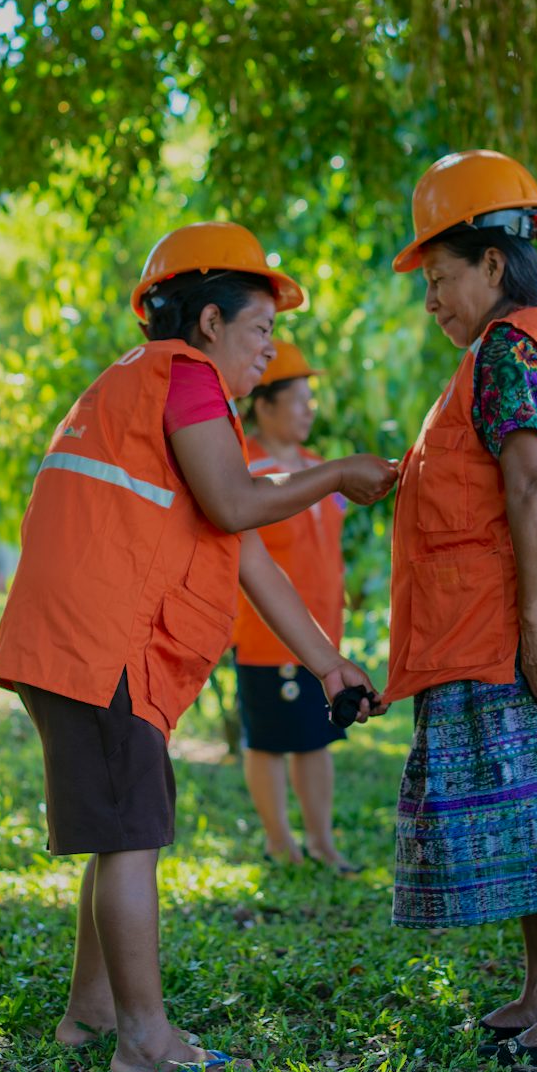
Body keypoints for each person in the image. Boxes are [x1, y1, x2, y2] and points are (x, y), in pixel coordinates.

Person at [0, 221, 398, 1072]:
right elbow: (240, 504)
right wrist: (337, 473)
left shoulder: (152, 392)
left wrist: (328, 663)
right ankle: (145, 1042)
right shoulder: (186, 379)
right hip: (99, 645)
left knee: (118, 831)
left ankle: (90, 1017)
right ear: (209, 322)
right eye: (260, 331)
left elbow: (241, 545)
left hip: (79, 642)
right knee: (133, 834)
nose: (270, 352)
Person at [384, 150, 537, 1067]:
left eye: (440, 278)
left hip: (521, 623)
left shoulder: (508, 349)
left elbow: (528, 484)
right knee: (535, 812)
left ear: (493, 262)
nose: (433, 299)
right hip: (515, 618)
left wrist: (531, 628)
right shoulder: (513, 344)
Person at [233, 341, 357, 871]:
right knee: (268, 741)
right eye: (299, 399)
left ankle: (322, 843)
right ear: (264, 404)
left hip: (323, 638)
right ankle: (279, 843)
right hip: (266, 638)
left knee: (316, 739)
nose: (310, 410)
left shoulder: (318, 469)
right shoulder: (239, 467)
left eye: (312, 399)